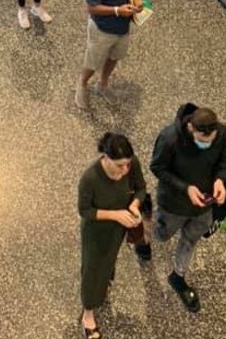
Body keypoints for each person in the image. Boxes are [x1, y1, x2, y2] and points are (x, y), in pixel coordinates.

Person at [150, 103, 226, 314]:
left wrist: (220, 180)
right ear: (191, 129)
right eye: (202, 142)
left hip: (204, 205)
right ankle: (144, 233)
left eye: (210, 141)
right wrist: (186, 189)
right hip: (173, 204)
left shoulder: (220, 132)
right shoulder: (169, 138)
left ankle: (178, 275)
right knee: (162, 235)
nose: (207, 145)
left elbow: (222, 162)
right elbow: (157, 168)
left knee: (191, 239)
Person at [78, 133, 147, 339]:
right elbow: (85, 211)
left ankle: (105, 282)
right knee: (92, 269)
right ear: (105, 158)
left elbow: (140, 188)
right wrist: (116, 215)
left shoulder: (131, 163)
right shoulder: (90, 178)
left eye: (127, 164)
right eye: (119, 165)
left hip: (119, 227)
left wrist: (134, 206)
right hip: (96, 231)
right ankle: (88, 312)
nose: (125, 170)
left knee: (109, 261)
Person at [75, 0, 143, 109]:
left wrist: (139, 3)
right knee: (93, 61)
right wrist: (117, 10)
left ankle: (103, 83)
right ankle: (82, 83)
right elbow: (91, 7)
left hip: (122, 27)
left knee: (115, 56)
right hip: (102, 29)